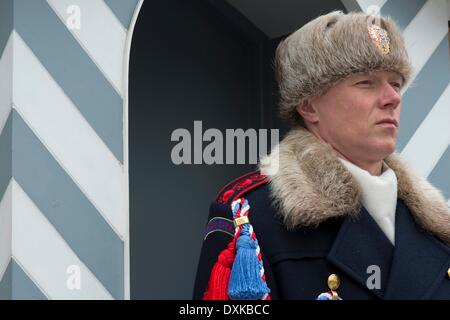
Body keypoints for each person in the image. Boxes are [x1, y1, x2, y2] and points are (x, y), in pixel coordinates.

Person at [193, 10, 450, 300]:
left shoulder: (438, 229)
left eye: (395, 83)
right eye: (366, 82)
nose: (393, 98)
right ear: (309, 105)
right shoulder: (250, 220)